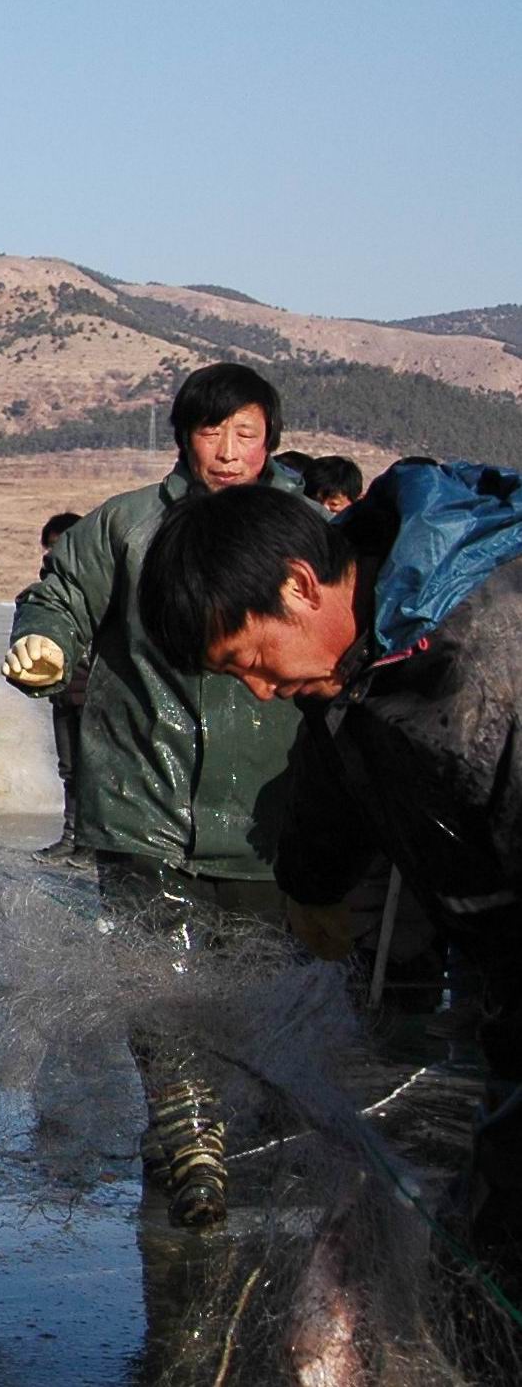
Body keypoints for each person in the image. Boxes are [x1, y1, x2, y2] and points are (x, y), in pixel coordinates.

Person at [136, 461, 522, 1276]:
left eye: (250, 658)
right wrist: (309, 884)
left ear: (301, 586)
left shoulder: (493, 653)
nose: (261, 691)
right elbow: (339, 763)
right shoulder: (356, 654)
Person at [1, 361, 303, 1229]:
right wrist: (44, 644)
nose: (230, 451)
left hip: (266, 810)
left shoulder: (303, 531)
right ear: (183, 437)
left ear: (271, 442)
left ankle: (228, 1129)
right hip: (144, 799)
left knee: (254, 990)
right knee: (157, 980)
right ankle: (191, 1135)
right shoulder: (129, 525)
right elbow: (58, 596)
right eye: (213, 432)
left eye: (247, 433)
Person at [33, 511, 91, 866]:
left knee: (93, 771)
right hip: (65, 691)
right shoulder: (48, 588)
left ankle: (91, 843)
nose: (53, 554)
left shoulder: (96, 584)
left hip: (94, 693)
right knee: (70, 769)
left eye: (60, 545)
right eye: (49, 547)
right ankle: (70, 838)